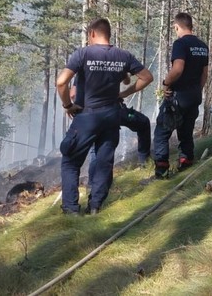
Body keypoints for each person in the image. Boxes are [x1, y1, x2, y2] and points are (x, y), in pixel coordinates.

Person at [56, 18, 153, 215]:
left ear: (92, 33)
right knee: (103, 161)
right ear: (108, 34)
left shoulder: (83, 54)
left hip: (87, 116)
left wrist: (68, 105)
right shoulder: (123, 56)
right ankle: (95, 206)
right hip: (111, 116)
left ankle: (71, 209)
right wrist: (124, 93)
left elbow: (61, 82)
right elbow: (147, 77)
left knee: (71, 161)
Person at [153, 12, 209, 178]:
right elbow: (204, 74)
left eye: (175, 28)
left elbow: (177, 69)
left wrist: (166, 84)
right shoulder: (202, 46)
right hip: (194, 95)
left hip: (179, 96)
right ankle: (186, 161)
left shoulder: (180, 44)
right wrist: (197, 89)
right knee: (186, 131)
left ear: (177, 26)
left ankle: (161, 169)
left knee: (162, 131)